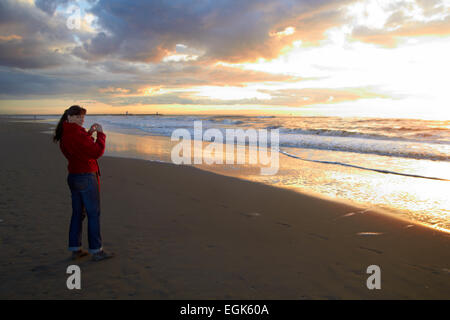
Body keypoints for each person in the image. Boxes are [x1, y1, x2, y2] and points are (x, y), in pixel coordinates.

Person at [53, 105, 114, 261]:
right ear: (69, 118)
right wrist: (100, 134)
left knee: (77, 214)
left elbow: (78, 149)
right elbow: (96, 152)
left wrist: (88, 134)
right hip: (86, 176)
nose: (82, 119)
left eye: (82, 117)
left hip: (74, 176)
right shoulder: (76, 134)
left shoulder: (66, 133)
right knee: (93, 214)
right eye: (78, 116)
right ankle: (96, 250)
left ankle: (76, 249)